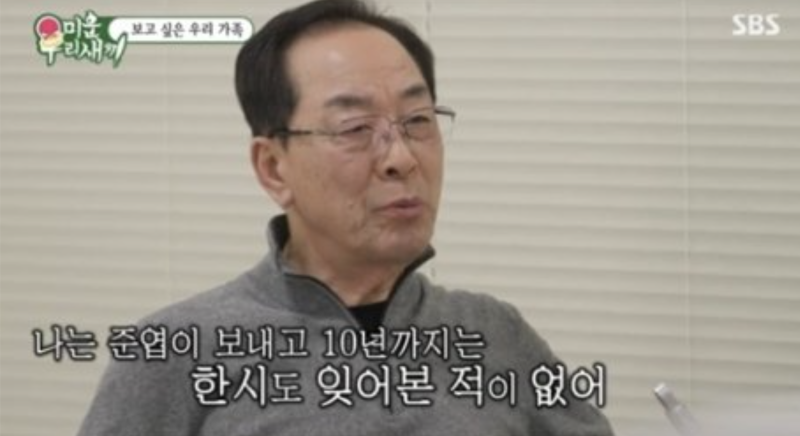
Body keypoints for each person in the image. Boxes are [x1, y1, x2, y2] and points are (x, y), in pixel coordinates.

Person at [77, 1, 615, 435]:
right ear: (273, 168)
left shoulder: (493, 333)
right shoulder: (176, 353)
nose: (401, 157)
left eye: (418, 120)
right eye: (355, 128)